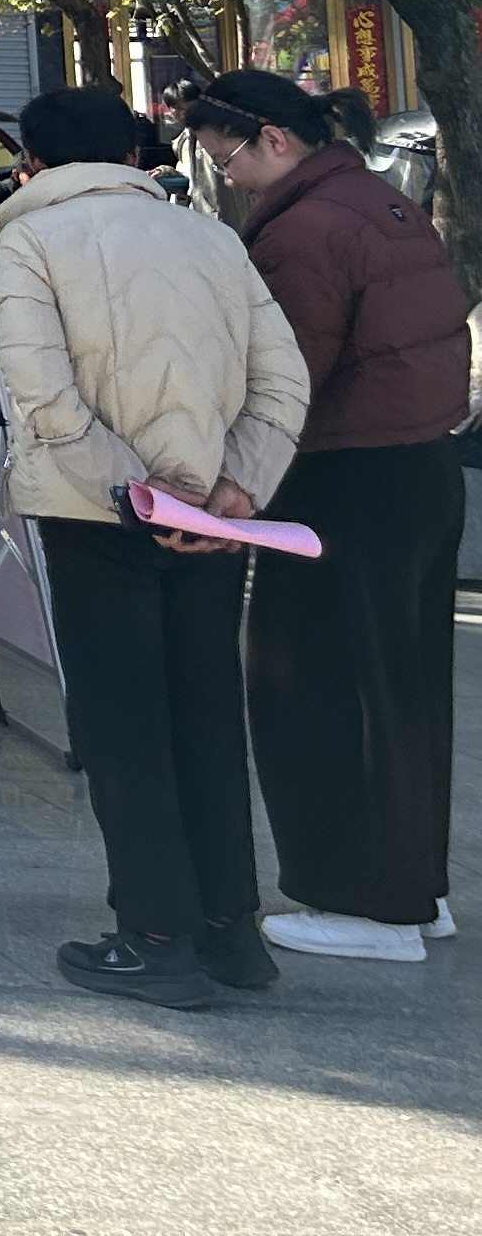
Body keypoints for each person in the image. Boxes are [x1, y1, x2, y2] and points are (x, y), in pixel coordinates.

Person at [0, 84, 310, 1002]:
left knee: (124, 727)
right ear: (133, 158)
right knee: (206, 716)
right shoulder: (213, 237)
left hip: (98, 517)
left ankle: (157, 935)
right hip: (213, 516)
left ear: (32, 164)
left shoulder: (29, 242)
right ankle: (232, 932)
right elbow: (282, 381)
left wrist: (138, 493)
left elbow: (43, 397)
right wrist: (234, 488)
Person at [181, 68, 475, 963]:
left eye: (226, 157)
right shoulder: (379, 201)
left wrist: (233, 480)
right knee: (402, 688)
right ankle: (415, 888)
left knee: (316, 685)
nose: (226, 177)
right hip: (420, 469)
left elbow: (285, 379)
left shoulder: (305, 231)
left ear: (273, 140)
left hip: (343, 479)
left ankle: (366, 905)